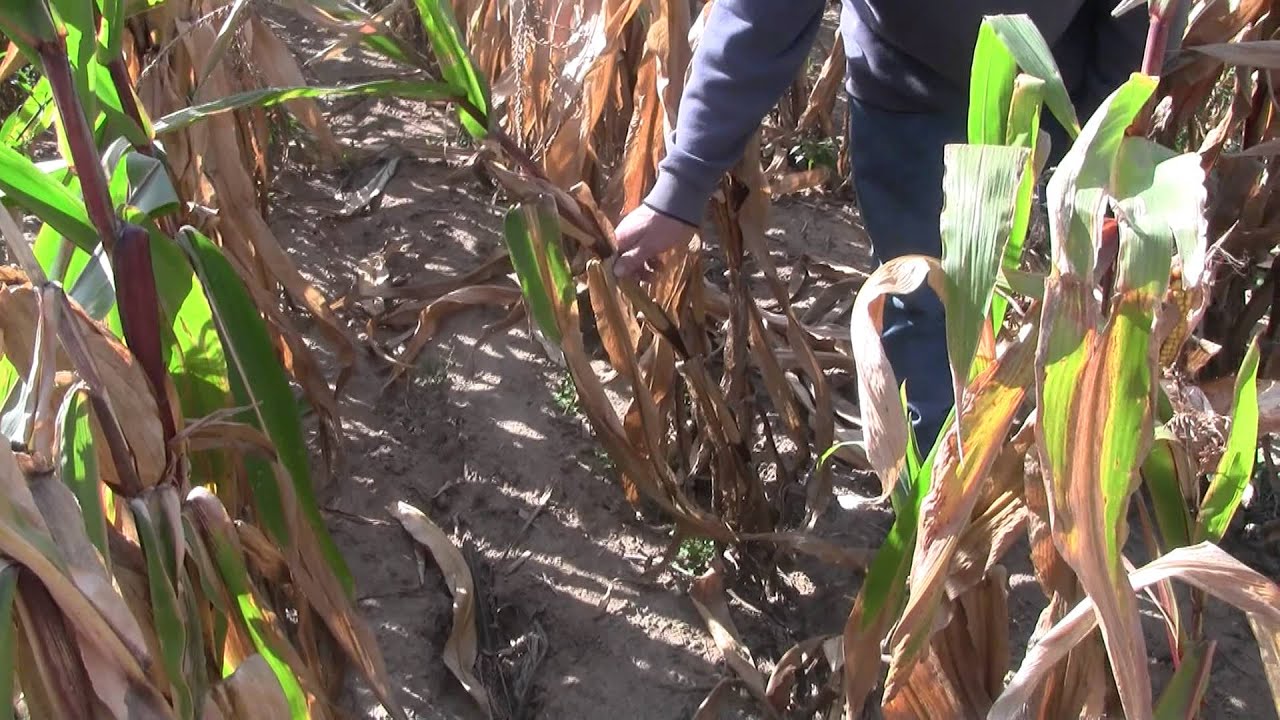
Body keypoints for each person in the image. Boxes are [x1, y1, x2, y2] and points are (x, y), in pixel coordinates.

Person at [611, 0, 1187, 451]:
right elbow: (759, 18)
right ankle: (932, 522)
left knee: (1061, 311)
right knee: (926, 303)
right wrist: (679, 190)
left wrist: (1103, 155)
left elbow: (1140, 20)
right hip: (908, 94)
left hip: (1053, 85)